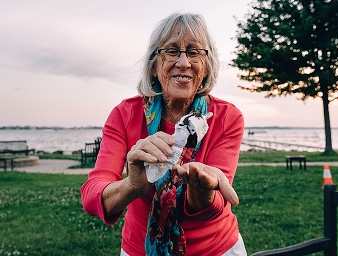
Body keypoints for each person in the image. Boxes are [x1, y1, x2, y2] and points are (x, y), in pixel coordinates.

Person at [81, 13, 247, 256]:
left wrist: (203, 188)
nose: (183, 62)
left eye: (194, 52)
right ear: (154, 65)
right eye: (171, 51)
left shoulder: (226, 117)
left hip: (216, 248)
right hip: (140, 249)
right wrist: (132, 185)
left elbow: (214, 206)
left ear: (206, 65)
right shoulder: (125, 114)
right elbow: (93, 195)